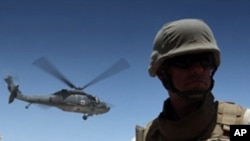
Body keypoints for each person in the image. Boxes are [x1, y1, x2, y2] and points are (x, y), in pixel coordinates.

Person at [135, 18, 250, 141]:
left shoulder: (241, 126)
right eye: (184, 60)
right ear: (161, 73)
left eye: (206, 60)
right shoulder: (148, 137)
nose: (198, 69)